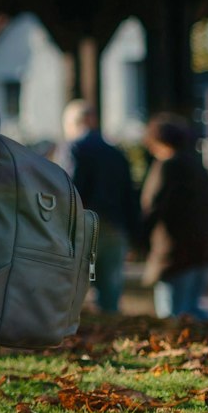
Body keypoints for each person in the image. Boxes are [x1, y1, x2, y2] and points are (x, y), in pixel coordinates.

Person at [138, 113, 208, 320]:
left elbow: (152, 206)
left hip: (174, 253)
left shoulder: (167, 166)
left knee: (171, 314)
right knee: (192, 309)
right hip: (202, 249)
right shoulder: (197, 165)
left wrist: (138, 240)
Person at [60, 100, 137, 315]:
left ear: (74, 123)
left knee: (72, 295)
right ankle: (113, 339)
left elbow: (68, 189)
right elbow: (129, 195)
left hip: (83, 227)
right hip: (114, 227)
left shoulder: (73, 148)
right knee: (110, 296)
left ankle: (72, 340)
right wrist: (133, 233)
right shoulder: (116, 152)